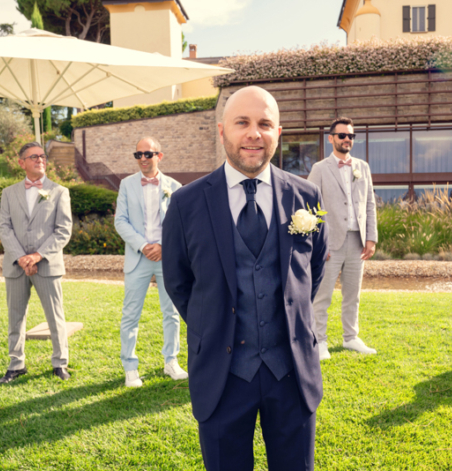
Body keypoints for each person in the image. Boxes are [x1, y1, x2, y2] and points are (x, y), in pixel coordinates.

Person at [162, 86, 328, 470]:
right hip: (222, 378)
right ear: (222, 130)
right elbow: (178, 282)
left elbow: (312, 271)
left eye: (265, 124)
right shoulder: (186, 203)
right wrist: (213, 324)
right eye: (242, 122)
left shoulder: (307, 197)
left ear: (278, 133)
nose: (254, 133)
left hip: (291, 374)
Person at [0, 142, 72, 384]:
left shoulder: (59, 191)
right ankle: (16, 364)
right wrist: (21, 257)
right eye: (34, 157)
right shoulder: (8, 193)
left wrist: (38, 256)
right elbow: (4, 228)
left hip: (47, 265)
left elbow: (63, 230)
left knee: (55, 316)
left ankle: (60, 363)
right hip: (15, 266)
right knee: (15, 317)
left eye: (42, 156)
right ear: (21, 163)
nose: (40, 160)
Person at [114, 136, 186, 387]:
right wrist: (144, 246)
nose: (142, 159)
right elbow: (120, 221)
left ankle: (171, 361)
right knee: (130, 314)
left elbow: (180, 224)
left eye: (148, 154)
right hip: (138, 257)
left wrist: (164, 246)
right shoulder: (126, 184)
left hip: (167, 258)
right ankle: (130, 367)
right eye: (138, 154)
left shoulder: (175, 186)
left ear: (159, 156)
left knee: (172, 312)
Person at [307, 117, 378, 361]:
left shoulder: (363, 167)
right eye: (342, 135)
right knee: (322, 296)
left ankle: (351, 337)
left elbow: (370, 203)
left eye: (351, 136)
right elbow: (310, 206)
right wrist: (318, 242)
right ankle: (319, 341)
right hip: (329, 243)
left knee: (353, 295)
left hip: (357, 242)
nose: (347, 139)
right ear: (331, 138)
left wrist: (371, 238)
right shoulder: (319, 169)